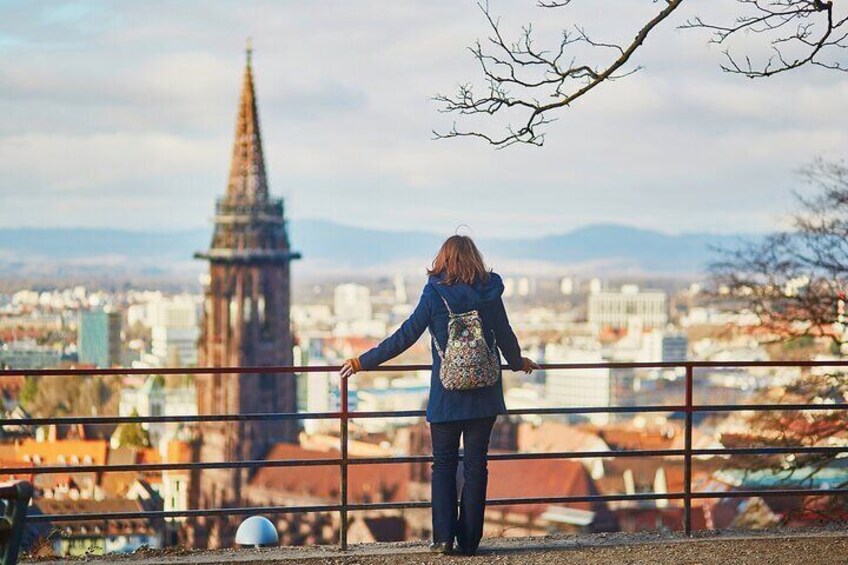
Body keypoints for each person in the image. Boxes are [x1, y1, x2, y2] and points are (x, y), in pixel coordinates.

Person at [339, 235, 538, 555]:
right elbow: (505, 336)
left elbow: (404, 336)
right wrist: (518, 363)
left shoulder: (434, 294)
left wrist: (363, 361)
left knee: (444, 466)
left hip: (447, 397)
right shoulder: (490, 292)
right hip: (485, 397)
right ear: (475, 259)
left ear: (443, 261)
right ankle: (470, 541)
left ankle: (443, 539)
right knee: (476, 467)